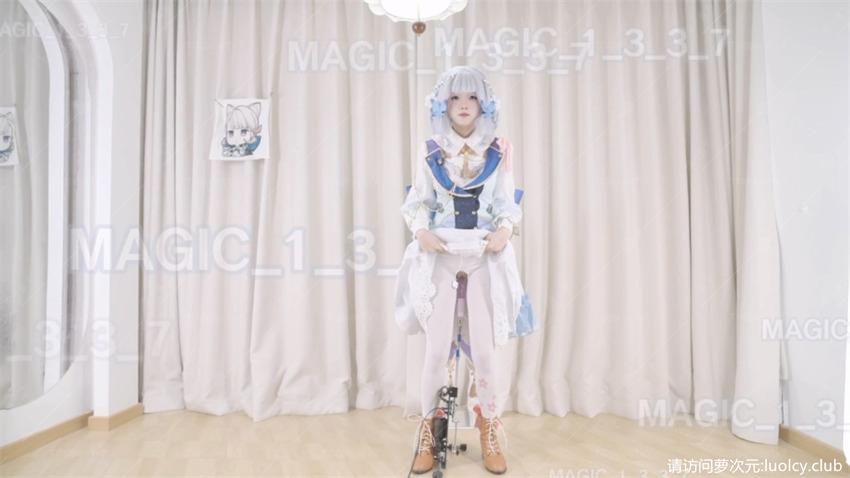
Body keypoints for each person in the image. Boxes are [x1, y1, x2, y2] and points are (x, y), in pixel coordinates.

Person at [394, 65, 535, 475]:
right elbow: (419, 202)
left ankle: (489, 429)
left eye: (472, 97)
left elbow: (506, 202)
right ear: (442, 104)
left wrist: (504, 230)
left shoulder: (499, 150)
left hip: (482, 257)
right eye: (454, 97)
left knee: (486, 354)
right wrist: (421, 231)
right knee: (437, 352)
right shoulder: (430, 151)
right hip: (440, 256)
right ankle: (429, 434)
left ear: (484, 104)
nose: (463, 105)